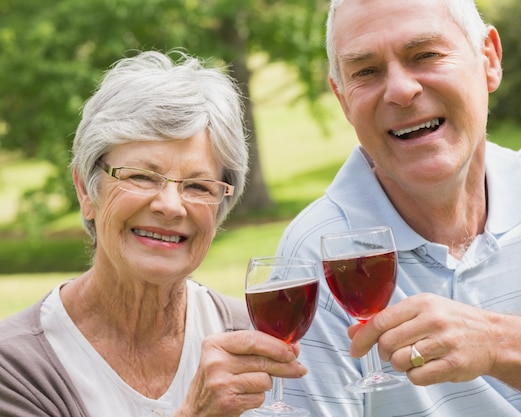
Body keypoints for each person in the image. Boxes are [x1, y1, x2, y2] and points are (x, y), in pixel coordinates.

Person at [276, 0, 521, 416]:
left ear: (489, 59)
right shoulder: (319, 257)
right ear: (342, 99)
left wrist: (496, 343)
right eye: (366, 71)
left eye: (425, 55)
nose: (401, 90)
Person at [0, 50, 307, 417]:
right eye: (142, 177)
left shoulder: (257, 340)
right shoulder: (17, 367)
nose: (171, 206)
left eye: (198, 186)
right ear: (86, 191)